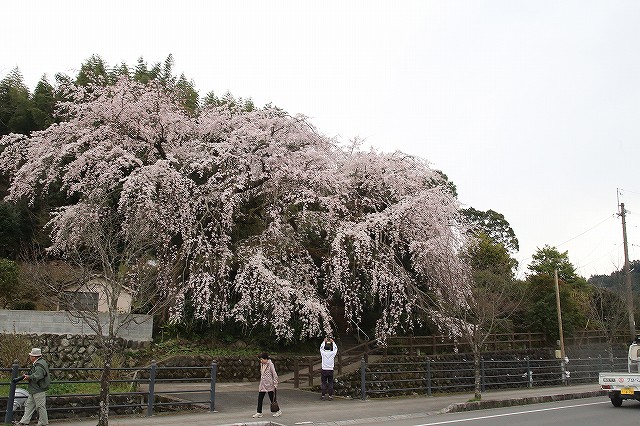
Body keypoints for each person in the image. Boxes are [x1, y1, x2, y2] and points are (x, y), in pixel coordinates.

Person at [15, 348, 50, 426]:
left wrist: (29, 377)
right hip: (35, 388)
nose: (30, 357)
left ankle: (43, 423)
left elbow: (38, 375)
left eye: (31, 356)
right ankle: (24, 421)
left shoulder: (39, 365)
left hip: (38, 388)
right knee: (29, 405)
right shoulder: (40, 363)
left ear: (34, 357)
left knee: (40, 407)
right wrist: (29, 376)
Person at [252, 352, 281, 418]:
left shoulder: (270, 364)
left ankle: (278, 411)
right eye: (260, 359)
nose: (261, 361)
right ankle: (259, 412)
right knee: (260, 398)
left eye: (262, 359)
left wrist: (275, 383)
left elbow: (274, 374)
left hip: (269, 384)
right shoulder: (262, 364)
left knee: (272, 399)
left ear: (266, 359)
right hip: (262, 384)